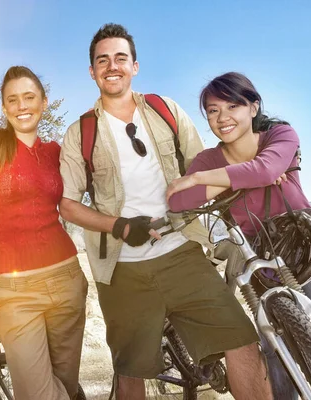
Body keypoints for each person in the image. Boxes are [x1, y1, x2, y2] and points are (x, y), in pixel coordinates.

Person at [59, 23, 273, 400]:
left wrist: (269, 153)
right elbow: (68, 205)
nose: (113, 66)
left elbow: (204, 163)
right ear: (92, 72)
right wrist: (119, 226)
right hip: (121, 270)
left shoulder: (165, 109)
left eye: (120, 58)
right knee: (131, 372)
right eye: (102, 60)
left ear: (135, 66)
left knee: (241, 341)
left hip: (184, 253)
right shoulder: (80, 133)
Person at [167, 71, 311, 399]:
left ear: (253, 107)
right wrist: (247, 175)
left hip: (304, 246)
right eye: (212, 110)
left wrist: (202, 180)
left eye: (232, 106)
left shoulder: (279, 134)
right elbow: (178, 200)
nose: (222, 117)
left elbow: (266, 168)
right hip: (254, 256)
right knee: (275, 353)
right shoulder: (209, 157)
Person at [0, 66, 87, 400]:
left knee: (66, 388)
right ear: (4, 108)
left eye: (29, 97)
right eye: (12, 100)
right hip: (14, 292)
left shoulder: (56, 152)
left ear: (44, 102)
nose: (21, 105)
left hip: (67, 280)